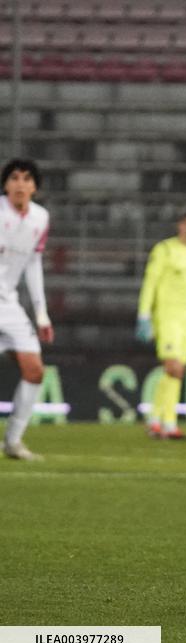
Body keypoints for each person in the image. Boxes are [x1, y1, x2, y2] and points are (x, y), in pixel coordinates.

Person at [135, 210, 186, 440]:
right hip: (167, 316)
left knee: (176, 373)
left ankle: (167, 424)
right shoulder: (164, 250)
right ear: (179, 226)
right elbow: (150, 283)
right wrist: (144, 315)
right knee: (173, 367)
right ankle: (156, 421)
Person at [0, 159, 53, 461]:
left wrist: (41, 313)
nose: (20, 184)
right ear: (6, 184)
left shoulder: (40, 219)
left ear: (34, 186)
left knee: (34, 370)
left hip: (8, 304)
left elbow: (34, 263)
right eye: (14, 178)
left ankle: (13, 441)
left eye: (27, 178)